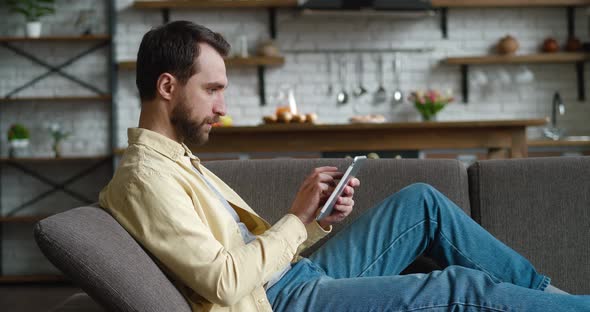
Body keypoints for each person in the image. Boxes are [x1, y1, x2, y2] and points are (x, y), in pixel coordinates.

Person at [99, 21, 590, 312]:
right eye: (212, 90)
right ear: (167, 87)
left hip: (290, 278)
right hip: (279, 304)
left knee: (421, 203)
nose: (223, 106)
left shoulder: (177, 160)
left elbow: (242, 252)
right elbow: (224, 281)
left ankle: (553, 299)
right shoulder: (145, 178)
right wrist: (295, 220)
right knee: (458, 287)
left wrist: (310, 220)